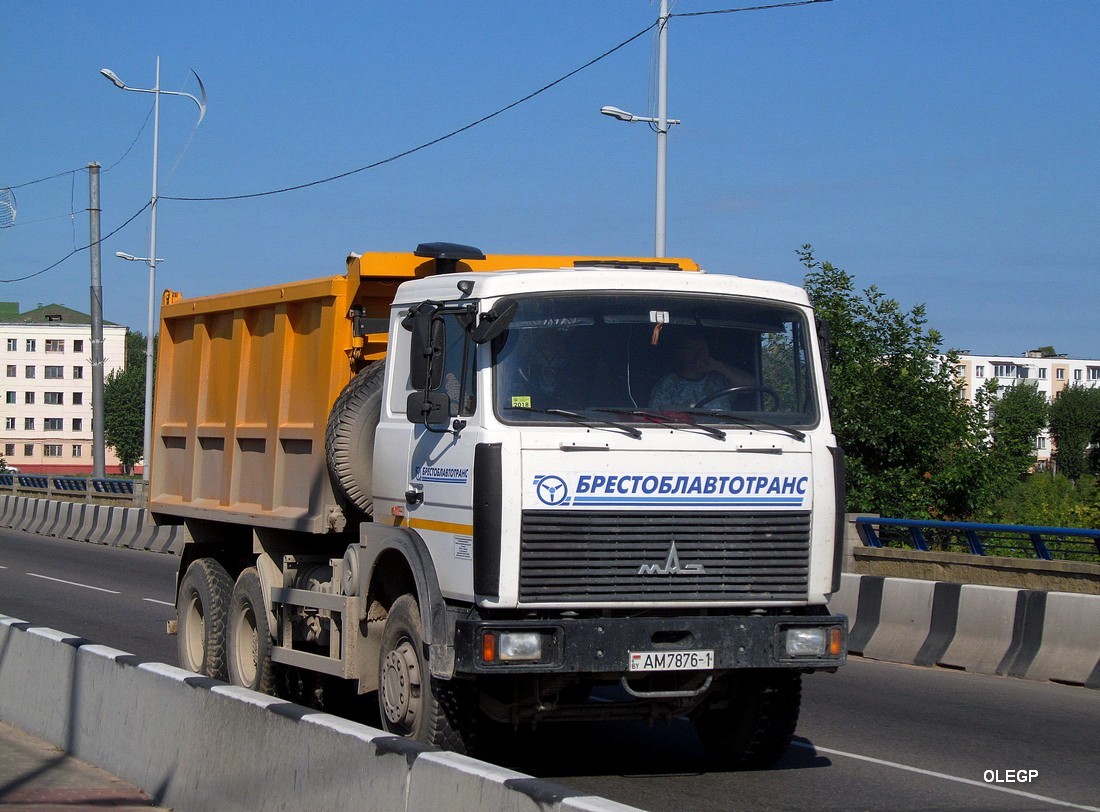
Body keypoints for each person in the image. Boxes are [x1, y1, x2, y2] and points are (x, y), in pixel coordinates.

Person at [649, 331, 751, 410]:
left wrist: (719, 367)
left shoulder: (721, 378)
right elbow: (656, 416)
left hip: (727, 433)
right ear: (681, 354)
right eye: (691, 349)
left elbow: (750, 387)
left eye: (702, 350)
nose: (698, 355)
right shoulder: (668, 383)